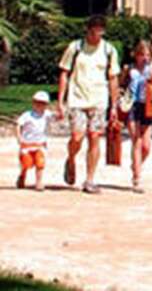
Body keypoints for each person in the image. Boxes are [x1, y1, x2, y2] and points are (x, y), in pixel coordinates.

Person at [57, 14, 120, 195]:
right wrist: (61, 101)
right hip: (77, 98)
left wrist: (114, 105)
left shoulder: (109, 50)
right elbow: (64, 74)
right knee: (77, 136)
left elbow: (113, 78)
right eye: (93, 32)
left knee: (94, 137)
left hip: (99, 100)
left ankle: (90, 179)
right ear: (88, 30)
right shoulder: (75, 48)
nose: (96, 36)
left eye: (99, 32)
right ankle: (71, 158)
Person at [124, 40, 152, 193]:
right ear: (136, 55)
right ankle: (137, 178)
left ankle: (136, 164)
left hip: (148, 106)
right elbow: (121, 85)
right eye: (141, 55)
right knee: (136, 142)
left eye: (147, 55)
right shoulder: (129, 69)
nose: (144, 58)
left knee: (146, 146)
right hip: (133, 105)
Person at [16, 90, 52, 191]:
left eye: (43, 103)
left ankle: (39, 182)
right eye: (37, 102)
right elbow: (19, 125)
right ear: (33, 103)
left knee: (40, 163)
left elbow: (57, 117)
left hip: (40, 144)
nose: (40, 105)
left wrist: (60, 113)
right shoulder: (27, 115)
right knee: (26, 163)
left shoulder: (47, 114)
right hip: (27, 144)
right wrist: (19, 137)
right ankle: (22, 175)